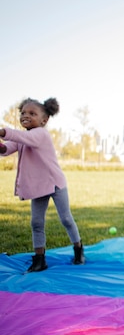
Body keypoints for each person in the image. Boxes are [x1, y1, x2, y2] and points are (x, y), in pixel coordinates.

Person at [0, 97, 85, 273]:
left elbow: (22, 137)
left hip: (54, 183)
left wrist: (3, 132)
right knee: (36, 222)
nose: (26, 116)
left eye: (32, 113)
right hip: (38, 186)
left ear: (44, 120)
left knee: (66, 219)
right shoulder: (24, 137)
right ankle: (39, 259)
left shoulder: (40, 134)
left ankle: (78, 250)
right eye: (23, 113)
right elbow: (7, 149)